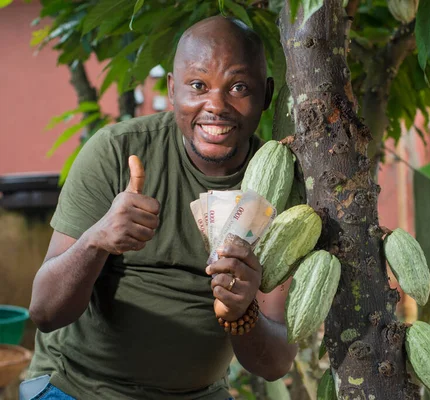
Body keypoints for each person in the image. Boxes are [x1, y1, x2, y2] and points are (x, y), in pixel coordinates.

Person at [23, 16, 298, 400]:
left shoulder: (282, 191)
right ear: (172, 89)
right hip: (76, 387)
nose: (215, 105)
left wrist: (243, 312)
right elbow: (45, 313)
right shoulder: (117, 152)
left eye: (239, 87)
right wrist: (96, 240)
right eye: (198, 85)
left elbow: (275, 364)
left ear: (266, 94)